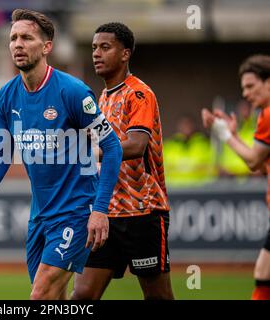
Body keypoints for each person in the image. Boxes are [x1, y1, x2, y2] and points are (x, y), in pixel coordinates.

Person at [0, 9, 122, 300]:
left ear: (46, 47)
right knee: (52, 300)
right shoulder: (7, 96)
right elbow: (1, 155)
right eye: (13, 38)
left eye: (27, 38)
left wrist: (100, 209)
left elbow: (112, 146)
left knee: (39, 296)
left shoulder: (72, 92)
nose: (18, 44)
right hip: (40, 216)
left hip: (76, 213)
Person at [71, 22, 174, 300]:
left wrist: (86, 153)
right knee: (82, 295)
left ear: (125, 53)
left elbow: (136, 146)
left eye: (105, 47)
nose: (96, 54)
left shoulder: (139, 94)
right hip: (107, 214)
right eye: (94, 48)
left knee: (158, 297)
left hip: (143, 213)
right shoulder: (101, 99)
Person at [202, 54, 270, 300]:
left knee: (263, 272)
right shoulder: (264, 115)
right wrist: (234, 135)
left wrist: (223, 134)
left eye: (251, 86)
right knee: (263, 272)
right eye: (243, 88)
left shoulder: (268, 115)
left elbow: (253, 161)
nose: (247, 94)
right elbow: (261, 165)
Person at [164, 114, 217, 187]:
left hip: (200, 188)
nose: (186, 127)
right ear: (178, 126)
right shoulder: (169, 145)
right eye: (183, 124)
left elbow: (213, 166)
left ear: (194, 125)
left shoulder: (205, 144)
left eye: (188, 124)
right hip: (174, 190)